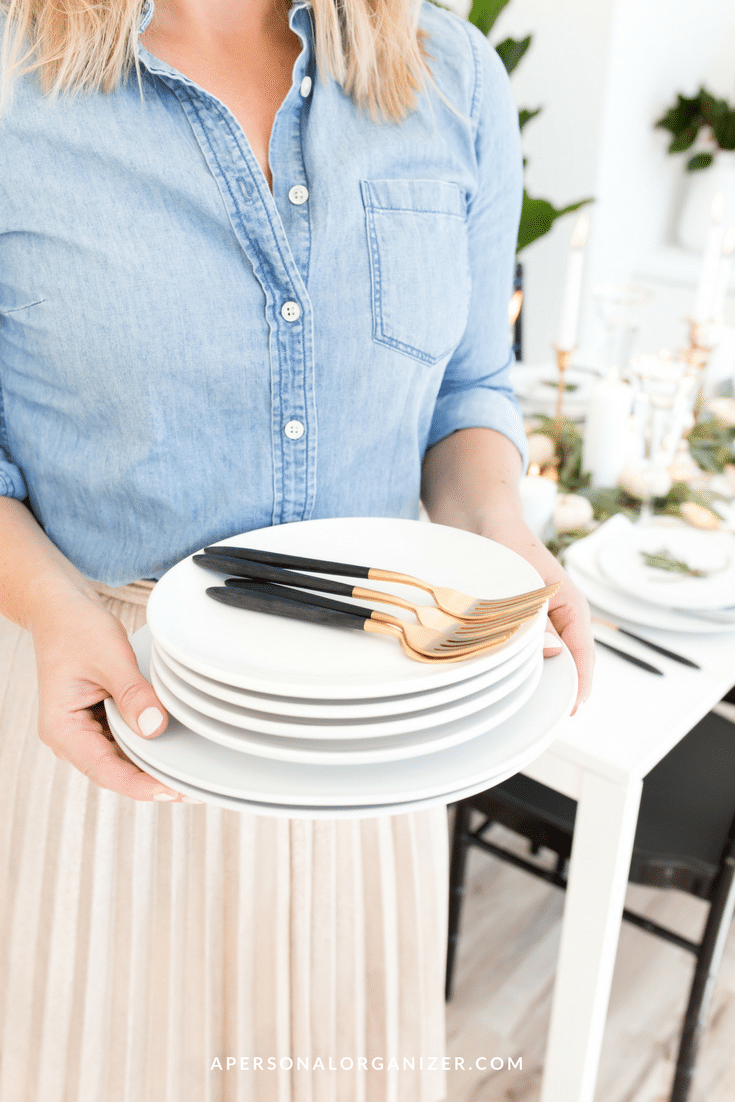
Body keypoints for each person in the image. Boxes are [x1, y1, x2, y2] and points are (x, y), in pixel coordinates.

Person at [0, 0, 594, 1097]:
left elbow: (467, 391)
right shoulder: (13, 82)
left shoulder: (449, 73)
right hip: (117, 723)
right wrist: (47, 605)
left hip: (379, 736)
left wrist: (504, 535)